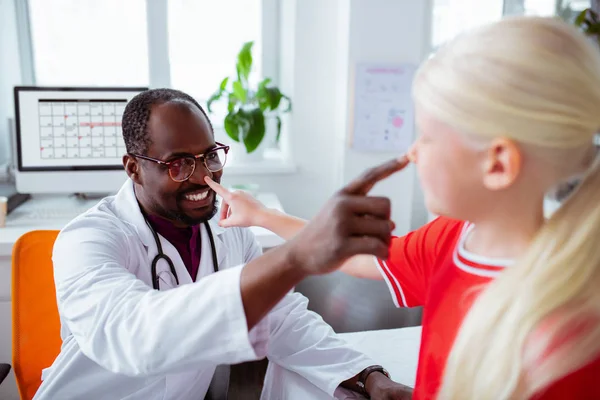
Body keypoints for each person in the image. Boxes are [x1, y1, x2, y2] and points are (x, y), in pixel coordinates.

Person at [205, 16, 600, 400]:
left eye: (428, 136)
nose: (413, 152)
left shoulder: (568, 330)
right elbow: (364, 259)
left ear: (497, 164)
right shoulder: (455, 235)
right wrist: (261, 216)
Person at [34, 88, 414, 400]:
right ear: (134, 167)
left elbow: (281, 318)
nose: (203, 177)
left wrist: (367, 375)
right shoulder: (87, 239)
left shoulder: (226, 228)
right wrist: (295, 256)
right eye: (178, 164)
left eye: (210, 156)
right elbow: (135, 335)